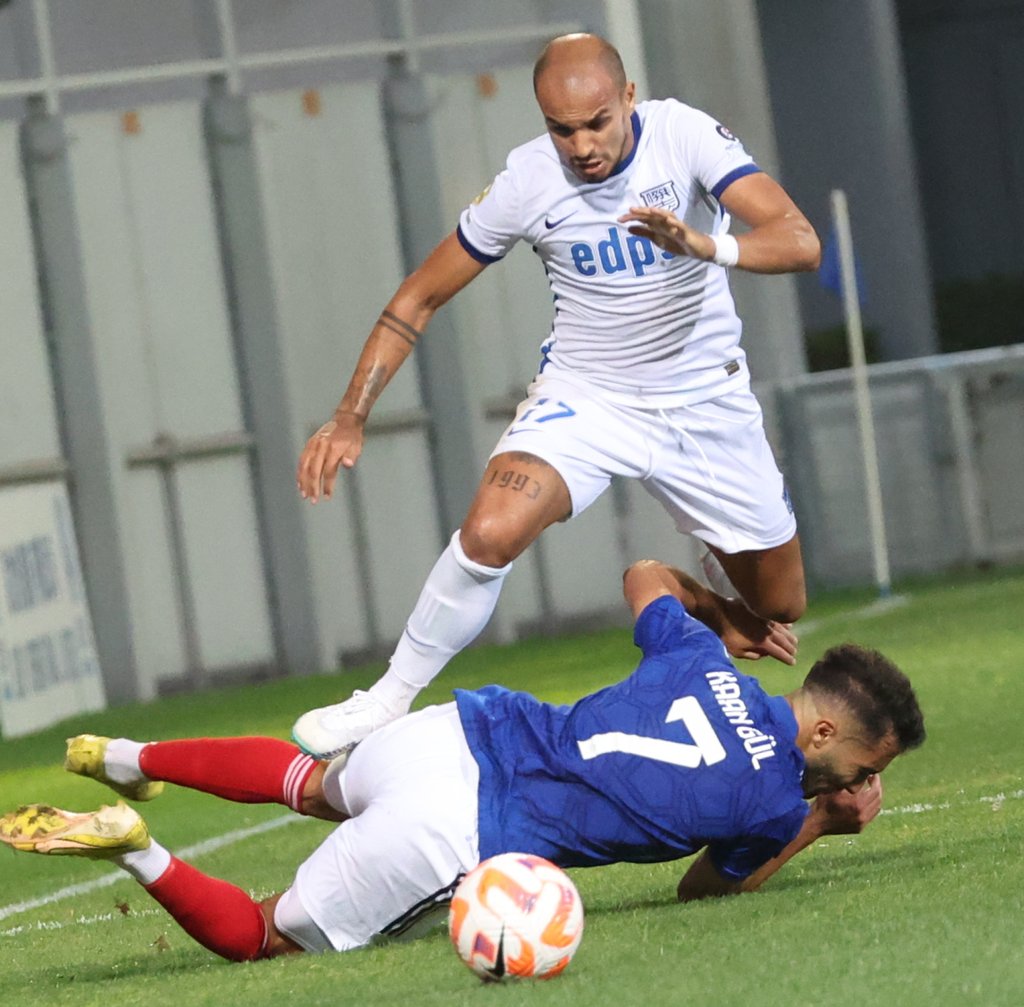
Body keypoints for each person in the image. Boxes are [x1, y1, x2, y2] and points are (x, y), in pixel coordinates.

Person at [292, 32, 821, 760]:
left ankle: (704, 579)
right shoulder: (528, 181)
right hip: (589, 396)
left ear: (629, 97)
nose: (581, 145)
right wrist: (351, 413)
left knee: (779, 607)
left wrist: (705, 245)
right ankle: (385, 698)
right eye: (561, 128)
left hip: (704, 400)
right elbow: (418, 296)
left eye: (597, 121)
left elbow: (799, 240)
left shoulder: (685, 135)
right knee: (490, 531)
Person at [1, 560, 924, 963]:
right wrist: (817, 827)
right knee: (260, 935)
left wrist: (717, 609)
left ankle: (124, 752)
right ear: (821, 737)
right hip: (463, 828)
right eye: (859, 769)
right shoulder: (773, 801)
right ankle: (131, 845)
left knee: (307, 781)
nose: (855, 786)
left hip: (455, 730)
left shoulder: (698, 657)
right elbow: (704, 893)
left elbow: (644, 570)